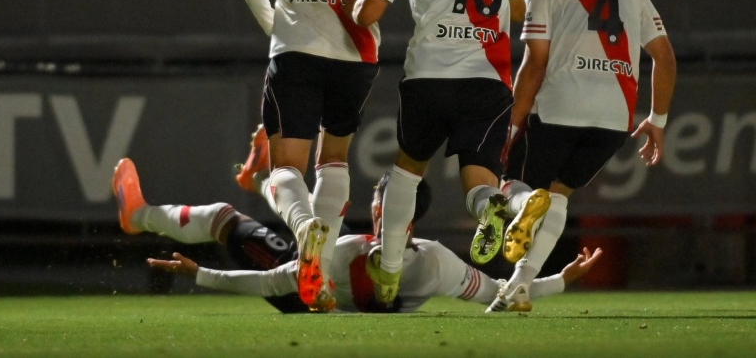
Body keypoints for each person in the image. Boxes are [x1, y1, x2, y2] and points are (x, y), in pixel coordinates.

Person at [235, 0, 414, 311]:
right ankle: (320, 277)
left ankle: (303, 229)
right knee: (333, 159)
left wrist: (277, 24)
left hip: (295, 51)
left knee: (284, 169)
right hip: (356, 55)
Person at [344, 0, 527, 306]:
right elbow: (520, 9)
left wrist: (354, 3)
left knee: (407, 171)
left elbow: (369, 13)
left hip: (430, 76)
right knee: (479, 179)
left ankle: (388, 273)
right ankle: (492, 207)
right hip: (488, 79)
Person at [487, 0, 677, 312]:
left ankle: (521, 206)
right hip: (613, 119)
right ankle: (519, 287)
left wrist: (515, 121)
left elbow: (535, 63)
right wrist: (657, 119)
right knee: (559, 196)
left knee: (513, 184)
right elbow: (664, 56)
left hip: (558, 107)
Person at [112, 157, 601, 313]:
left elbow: (272, 283)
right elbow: (503, 293)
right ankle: (258, 179)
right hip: (328, 281)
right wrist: (562, 278)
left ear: (376, 207)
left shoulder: (345, 251)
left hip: (303, 299)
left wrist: (203, 275)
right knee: (312, 223)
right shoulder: (434, 264)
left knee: (224, 218)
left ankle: (139, 215)